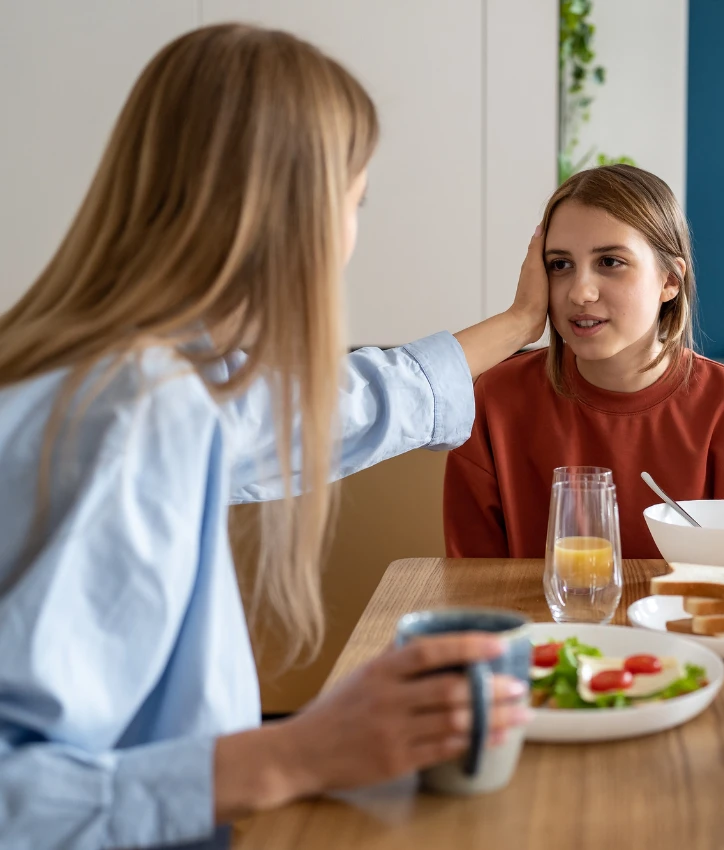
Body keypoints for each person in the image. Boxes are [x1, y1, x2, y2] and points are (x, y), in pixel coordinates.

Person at [0, 25, 549, 850]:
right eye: (355, 202)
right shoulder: (141, 411)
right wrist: (295, 754)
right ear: (296, 210)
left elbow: (337, 407)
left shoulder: (108, 374)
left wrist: (515, 323)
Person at [443, 165, 724, 560]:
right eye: (560, 264)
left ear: (670, 281)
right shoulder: (496, 400)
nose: (580, 292)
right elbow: (470, 584)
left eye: (609, 261)